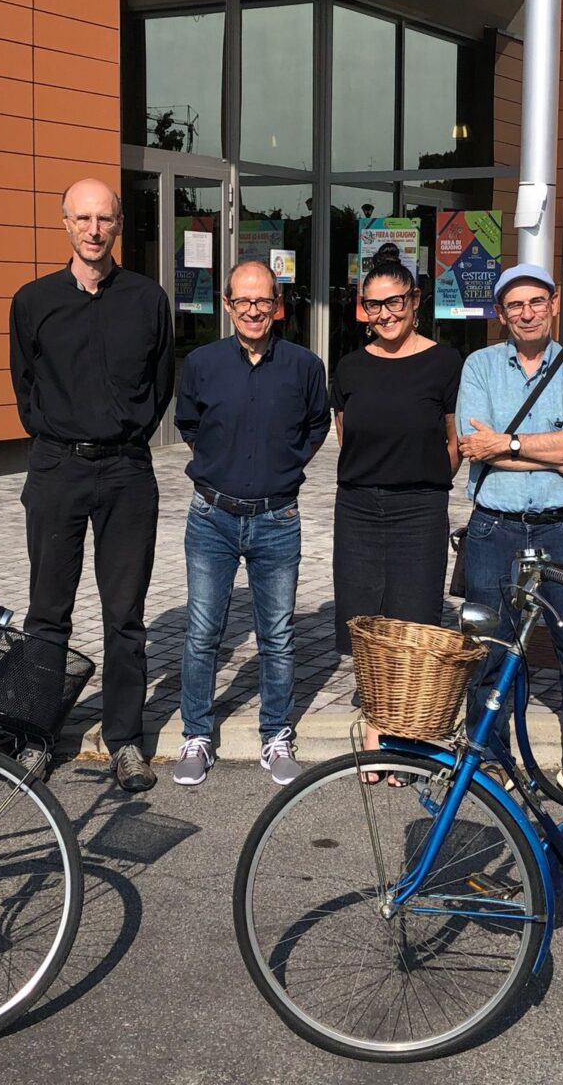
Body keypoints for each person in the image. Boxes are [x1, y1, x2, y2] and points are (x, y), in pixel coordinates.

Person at [9, 178, 173, 793]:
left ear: (120, 223)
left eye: (104, 218)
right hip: (56, 468)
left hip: (127, 470)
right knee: (47, 612)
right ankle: (35, 737)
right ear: (65, 223)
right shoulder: (32, 302)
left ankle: (125, 740)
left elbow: (159, 386)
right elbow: (24, 385)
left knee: (124, 613)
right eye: (82, 218)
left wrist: (123, 436)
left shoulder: (148, 300)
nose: (94, 229)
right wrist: (59, 438)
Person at [171, 260, 331, 787]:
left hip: (277, 518)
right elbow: (189, 422)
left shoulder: (306, 366)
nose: (254, 309)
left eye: (263, 300)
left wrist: (283, 465)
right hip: (211, 517)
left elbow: (316, 424)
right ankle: (196, 733)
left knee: (278, 635)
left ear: (277, 304)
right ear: (228, 305)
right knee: (201, 633)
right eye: (243, 301)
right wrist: (220, 462)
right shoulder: (201, 363)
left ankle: (276, 734)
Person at [456, 262, 563, 802]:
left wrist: (510, 445)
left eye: (535, 302)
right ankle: (489, 759)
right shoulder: (479, 366)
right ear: (502, 313)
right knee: (491, 648)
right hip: (494, 530)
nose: (526, 313)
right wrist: (557, 454)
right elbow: (475, 447)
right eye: (514, 305)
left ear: (554, 303)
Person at [330, 260, 462, 780]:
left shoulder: (446, 361)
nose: (385, 313)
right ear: (363, 309)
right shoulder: (349, 367)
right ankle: (374, 728)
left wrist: (423, 478)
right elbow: (348, 434)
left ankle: (406, 738)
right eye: (374, 304)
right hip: (359, 506)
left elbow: (454, 442)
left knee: (415, 619)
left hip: (420, 508)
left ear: (414, 301)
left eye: (395, 301)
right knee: (366, 622)